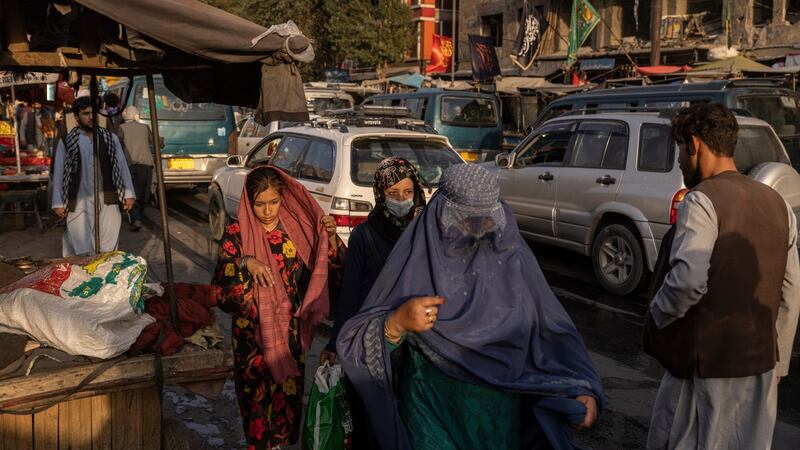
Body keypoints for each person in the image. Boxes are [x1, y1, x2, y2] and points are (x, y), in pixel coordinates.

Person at [337, 164, 604, 449]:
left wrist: (580, 388)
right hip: (431, 413)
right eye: (465, 219)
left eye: (486, 220)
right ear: (441, 213)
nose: (477, 231)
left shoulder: (513, 260)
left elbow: (552, 330)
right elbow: (357, 342)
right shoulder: (418, 261)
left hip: (499, 420)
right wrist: (396, 324)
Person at [643, 103, 800, 450]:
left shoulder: (701, 201)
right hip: (759, 368)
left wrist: (657, 315)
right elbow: (790, 293)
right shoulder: (779, 205)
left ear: (695, 145)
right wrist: (779, 364)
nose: (681, 161)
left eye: (681, 151)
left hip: (703, 371)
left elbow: (687, 280)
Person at [211, 166, 346, 449]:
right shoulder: (236, 235)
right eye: (260, 204)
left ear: (283, 198)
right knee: (256, 403)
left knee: (286, 403)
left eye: (274, 202)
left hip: (289, 336)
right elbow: (220, 291)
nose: (268, 210)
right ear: (249, 202)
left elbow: (330, 274)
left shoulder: (296, 234)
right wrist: (245, 262)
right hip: (251, 339)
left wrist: (330, 238)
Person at [321, 157, 427, 449]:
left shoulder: (424, 234)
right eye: (393, 194)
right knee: (371, 422)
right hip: (372, 343)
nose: (401, 200)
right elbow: (350, 293)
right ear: (380, 194)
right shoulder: (364, 235)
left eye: (407, 193)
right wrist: (335, 344)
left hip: (417, 345)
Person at [50, 96, 136, 257]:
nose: (91, 117)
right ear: (76, 117)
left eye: (94, 113)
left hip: (107, 199)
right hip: (78, 200)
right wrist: (57, 202)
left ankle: (103, 280)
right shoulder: (67, 141)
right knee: (79, 248)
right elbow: (59, 172)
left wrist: (129, 194)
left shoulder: (111, 139)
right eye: (86, 113)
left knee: (108, 248)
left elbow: (122, 167)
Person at [118, 106, 154, 231]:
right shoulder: (145, 127)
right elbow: (156, 142)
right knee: (144, 193)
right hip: (146, 165)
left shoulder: (121, 128)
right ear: (136, 115)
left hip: (129, 165)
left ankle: (136, 218)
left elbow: (118, 145)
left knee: (132, 192)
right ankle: (137, 217)